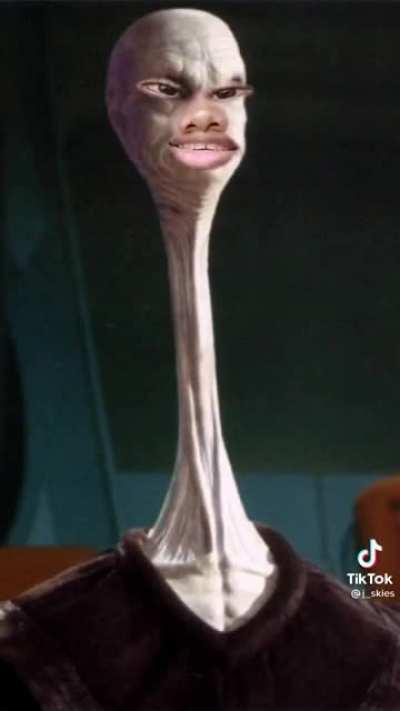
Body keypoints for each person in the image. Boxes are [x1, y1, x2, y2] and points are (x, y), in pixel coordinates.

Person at [1, 9, 400, 710]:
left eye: (228, 92)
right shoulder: (43, 646)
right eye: (169, 89)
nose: (205, 114)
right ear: (119, 111)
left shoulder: (367, 648)